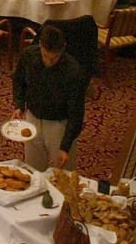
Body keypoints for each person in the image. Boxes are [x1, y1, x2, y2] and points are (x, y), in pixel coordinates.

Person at [11, 25, 87, 171]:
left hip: (58, 124)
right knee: (33, 169)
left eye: (55, 57)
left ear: (63, 49)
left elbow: (76, 112)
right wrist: (19, 104)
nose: (49, 62)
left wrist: (65, 146)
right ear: (40, 44)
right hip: (32, 117)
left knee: (63, 173)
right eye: (45, 56)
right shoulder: (29, 55)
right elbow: (18, 80)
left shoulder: (73, 71)